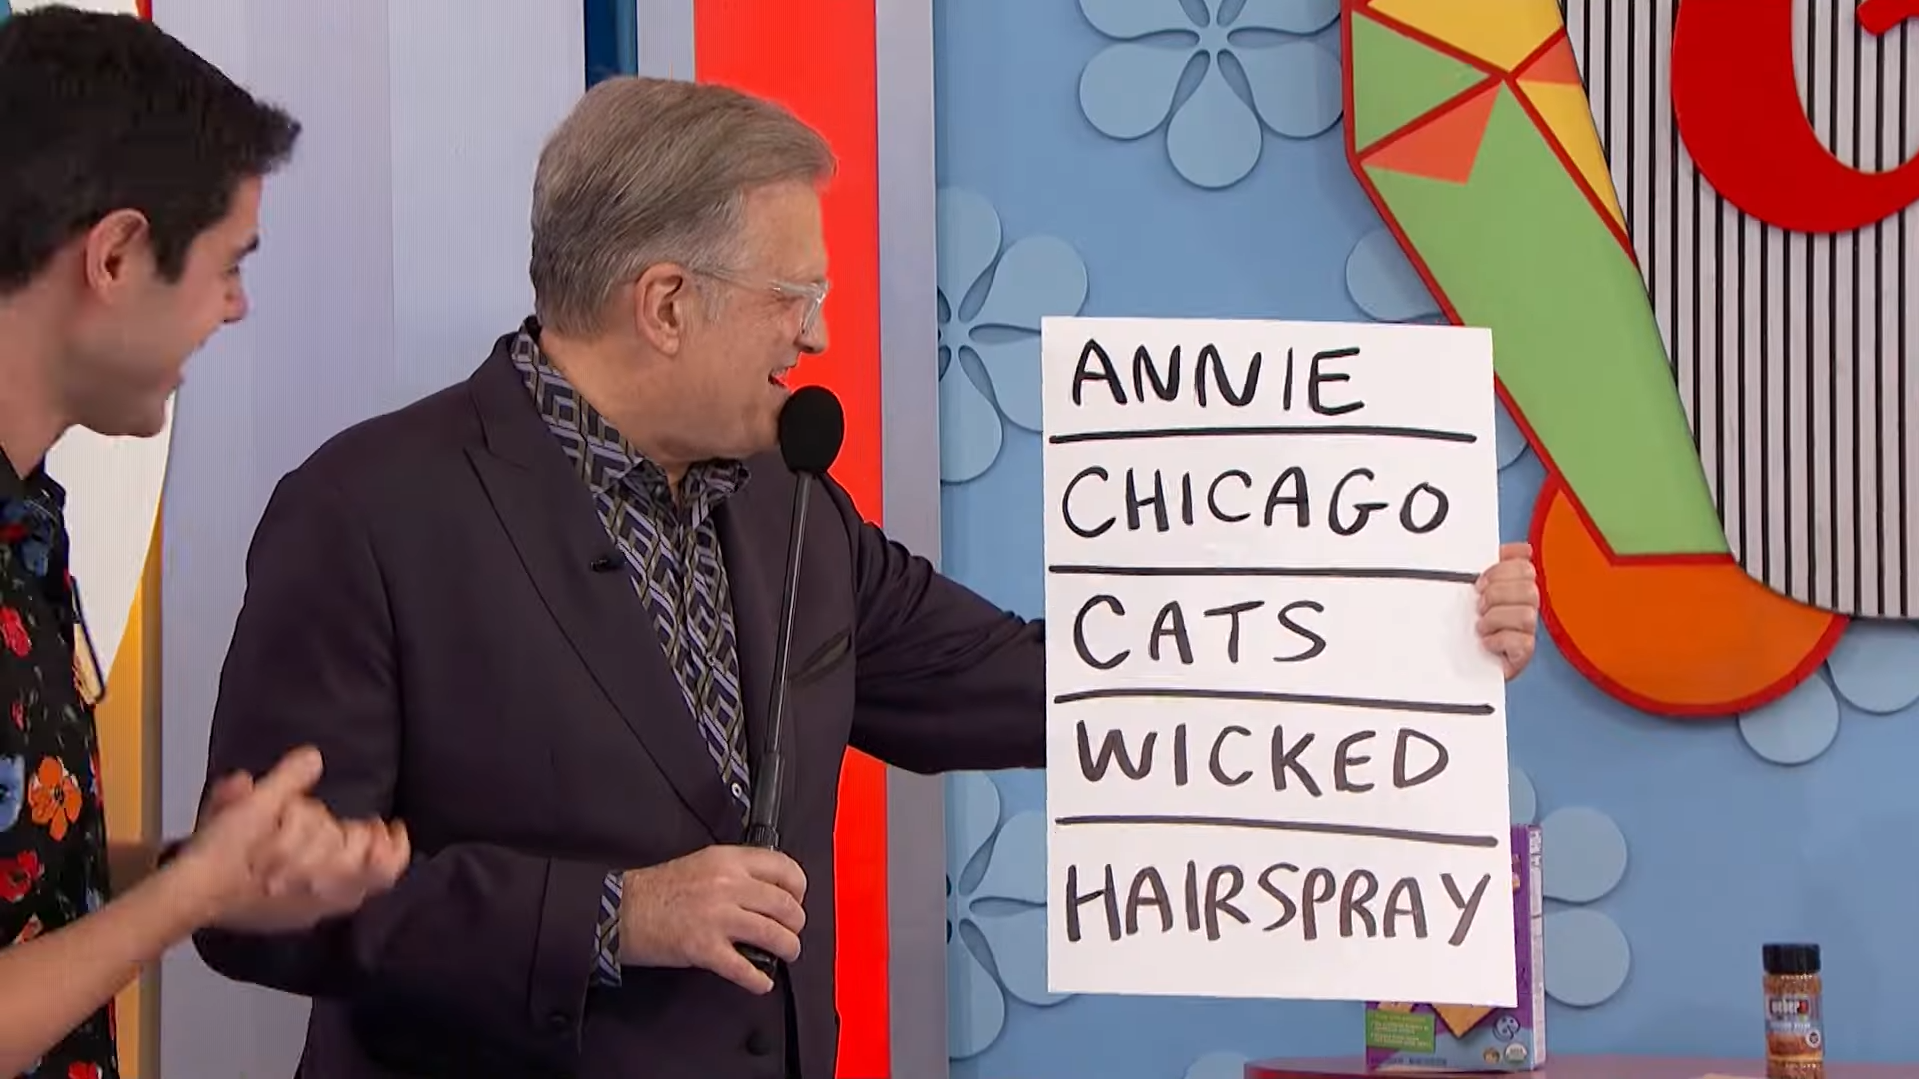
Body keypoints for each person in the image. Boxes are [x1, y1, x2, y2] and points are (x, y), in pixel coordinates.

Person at [192, 76, 1542, 1078]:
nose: (820, 330)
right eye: (793, 295)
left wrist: (1406, 635)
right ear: (666, 302)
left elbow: (1034, 683)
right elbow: (259, 911)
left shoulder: (791, 510)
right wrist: (614, 913)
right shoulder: (364, 513)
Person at [0, 7, 413, 1075]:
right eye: (227, 265)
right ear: (119, 255)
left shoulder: (29, 517)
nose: (234, 309)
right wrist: (194, 890)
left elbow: (26, 892)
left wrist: (214, 873)